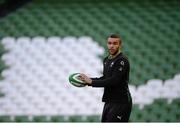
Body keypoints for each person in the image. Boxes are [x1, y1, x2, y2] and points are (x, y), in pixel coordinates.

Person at [79, 34, 132, 122]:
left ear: (120, 45)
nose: (112, 46)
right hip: (109, 101)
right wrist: (88, 81)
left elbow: (114, 80)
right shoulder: (107, 60)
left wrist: (92, 82)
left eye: (115, 43)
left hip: (121, 102)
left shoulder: (122, 60)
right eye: (109, 43)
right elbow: (105, 78)